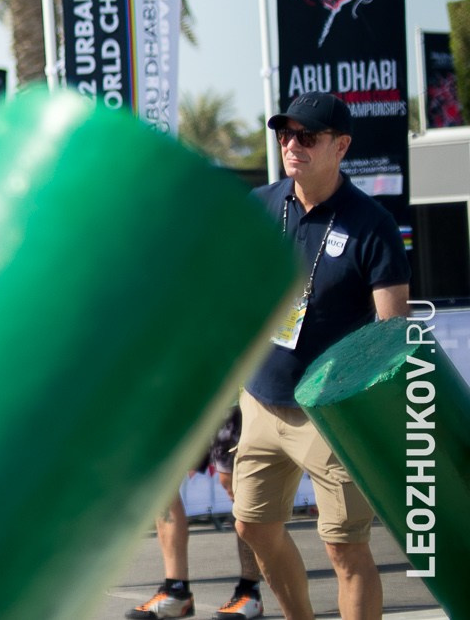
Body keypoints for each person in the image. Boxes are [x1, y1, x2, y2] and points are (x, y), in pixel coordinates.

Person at [232, 93, 409, 620]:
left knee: (344, 549)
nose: (292, 145)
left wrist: (370, 412)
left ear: (341, 146)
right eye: (285, 134)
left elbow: (392, 332)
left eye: (307, 136)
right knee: (252, 526)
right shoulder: (261, 205)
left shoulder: (372, 224)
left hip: (330, 414)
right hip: (261, 399)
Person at [126, 405, 264, 618]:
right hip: (186, 400)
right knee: (161, 481)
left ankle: (250, 590)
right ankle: (176, 590)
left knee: (235, 486)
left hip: (230, 402)